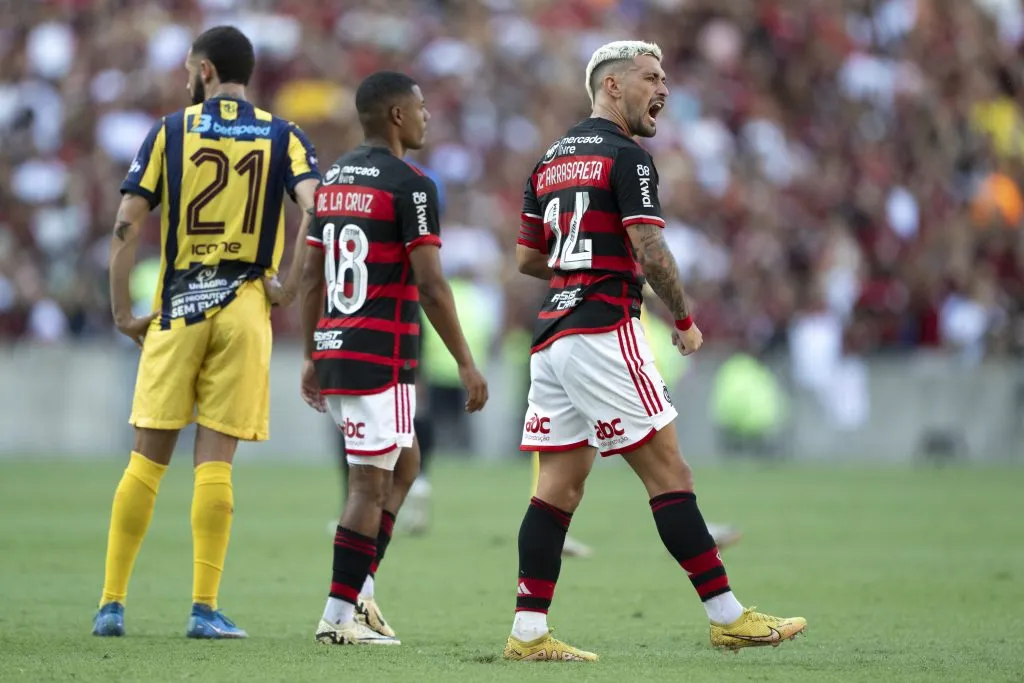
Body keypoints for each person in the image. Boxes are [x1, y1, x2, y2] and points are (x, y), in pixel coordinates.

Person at [505, 40, 806, 661]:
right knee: (670, 473)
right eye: (651, 77)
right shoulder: (628, 157)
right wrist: (685, 317)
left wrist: (579, 264)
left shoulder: (549, 161)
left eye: (664, 76)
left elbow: (530, 257)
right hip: (601, 329)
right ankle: (727, 616)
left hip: (554, 335)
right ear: (612, 87)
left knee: (556, 489)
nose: (663, 87)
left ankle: (528, 632)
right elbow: (647, 245)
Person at [92, 26, 320, 639]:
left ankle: (112, 604)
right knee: (214, 462)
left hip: (178, 307)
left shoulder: (170, 130)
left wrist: (121, 313)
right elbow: (317, 207)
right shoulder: (283, 134)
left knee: (145, 461)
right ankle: (203, 608)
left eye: (190, 69)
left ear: (207, 71)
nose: (185, 78)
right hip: (245, 307)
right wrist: (291, 286)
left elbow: (125, 224)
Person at [299, 71, 488, 646]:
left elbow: (310, 277)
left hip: (338, 346)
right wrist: (465, 361)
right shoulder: (412, 184)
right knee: (367, 485)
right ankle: (338, 618)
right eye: (422, 106)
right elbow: (431, 285)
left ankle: (359, 592)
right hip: (379, 352)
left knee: (405, 465)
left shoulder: (332, 181)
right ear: (397, 116)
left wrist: (313, 352)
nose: (428, 116)